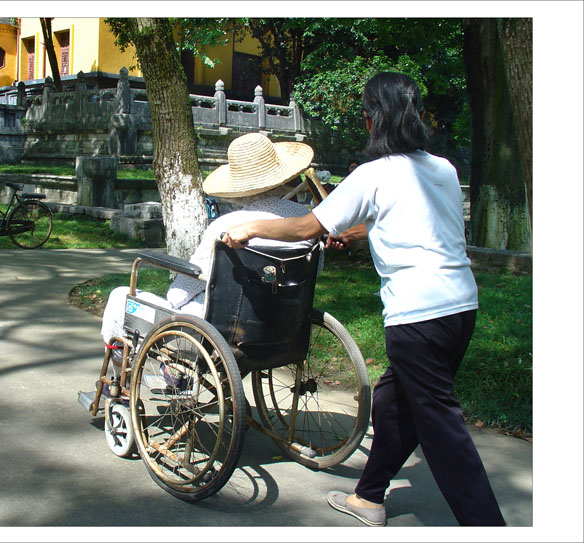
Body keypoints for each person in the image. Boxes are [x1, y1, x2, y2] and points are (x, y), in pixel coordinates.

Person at [223, 72, 505, 527]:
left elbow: (304, 228)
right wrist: (355, 235)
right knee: (396, 404)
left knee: (442, 431)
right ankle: (369, 497)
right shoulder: (445, 169)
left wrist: (251, 227)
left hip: (417, 317)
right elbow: (412, 226)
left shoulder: (370, 175)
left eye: (365, 115)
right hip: (460, 308)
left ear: (374, 121)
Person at [100, 132, 316, 345]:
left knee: (120, 298)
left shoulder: (227, 226)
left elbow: (184, 290)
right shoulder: (306, 222)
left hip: (219, 328)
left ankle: (125, 371)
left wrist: (174, 296)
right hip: (282, 322)